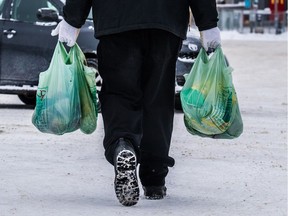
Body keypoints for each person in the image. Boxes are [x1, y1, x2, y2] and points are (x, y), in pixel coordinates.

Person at [52, 0, 221, 207]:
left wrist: (72, 20)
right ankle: (154, 177)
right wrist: (208, 23)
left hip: (116, 19)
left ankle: (123, 142)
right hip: (164, 19)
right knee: (158, 97)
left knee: (119, 91)